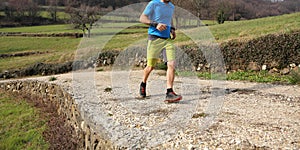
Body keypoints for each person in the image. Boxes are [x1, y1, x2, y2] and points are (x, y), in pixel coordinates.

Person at [139, 0, 182, 103]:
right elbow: (142, 18)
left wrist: (172, 29)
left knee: (171, 64)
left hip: (167, 40)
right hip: (154, 38)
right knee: (150, 67)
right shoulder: (153, 3)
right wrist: (155, 24)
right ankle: (143, 83)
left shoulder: (171, 6)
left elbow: (168, 18)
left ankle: (169, 92)